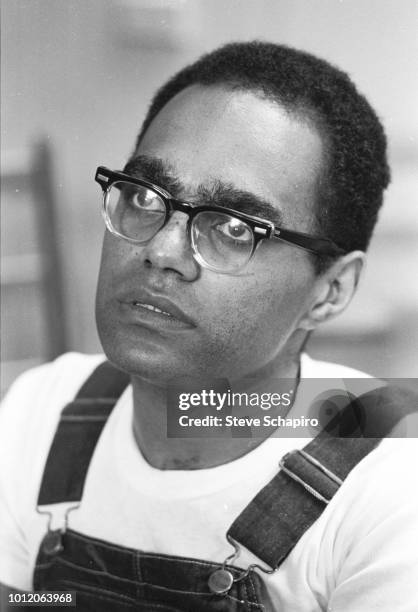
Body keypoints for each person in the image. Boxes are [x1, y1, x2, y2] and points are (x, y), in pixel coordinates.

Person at [1, 41, 417, 611]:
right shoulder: (43, 413)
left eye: (234, 228)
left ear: (330, 290)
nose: (162, 249)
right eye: (146, 196)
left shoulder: (392, 485)